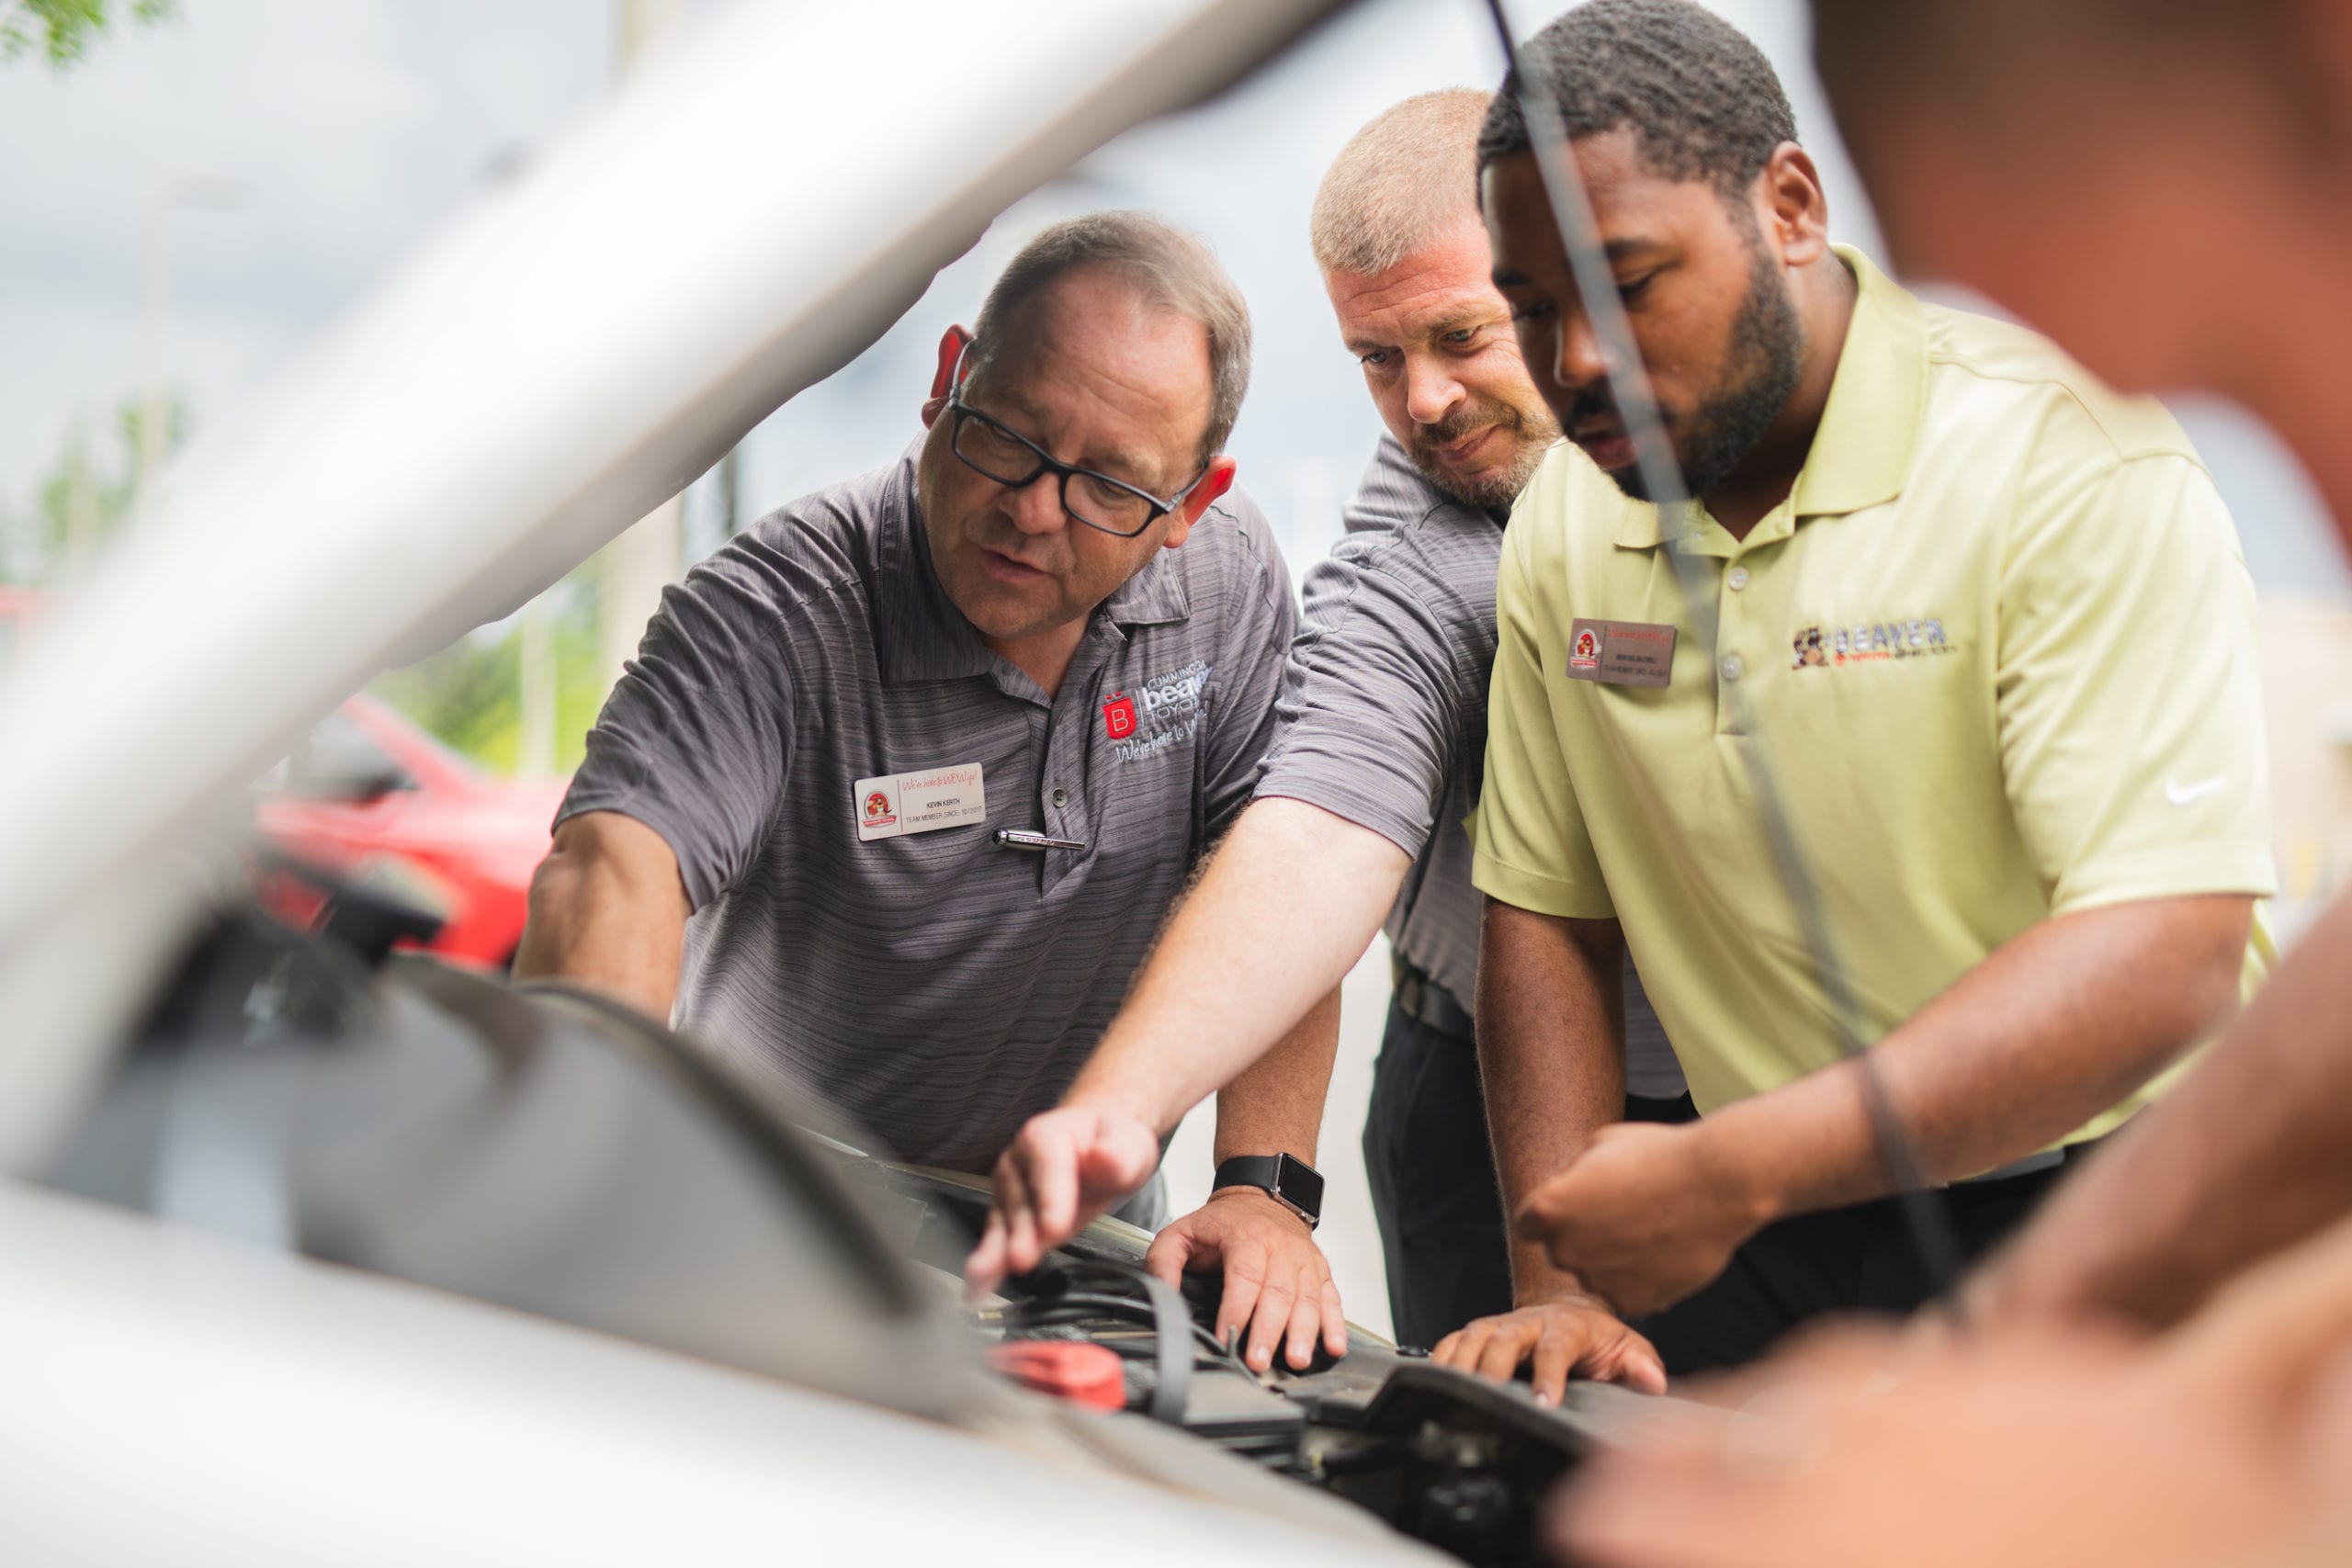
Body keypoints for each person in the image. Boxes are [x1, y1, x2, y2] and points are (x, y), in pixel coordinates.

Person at [1541, 4, 2352, 1563]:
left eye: (2222, 362)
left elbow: (2175, 944)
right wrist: (2008, 1344)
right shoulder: (1568, 535)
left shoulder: (2077, 468)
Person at [963, 92, 1688, 1380]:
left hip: (1777, 1091)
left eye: (1464, 336)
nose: (1425, 403)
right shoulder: (1415, 540)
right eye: (1376, 357)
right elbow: (1318, 826)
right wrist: (1118, 1113)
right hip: (1477, 1091)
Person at [513, 211, 1293, 1224]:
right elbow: (612, 869)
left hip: (1078, 1239)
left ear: (1193, 500)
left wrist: (1261, 1193)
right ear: (948, 377)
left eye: (1106, 484)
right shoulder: (781, 608)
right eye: (1012, 436)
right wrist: (570, 1172)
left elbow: (1279, 873)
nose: (1034, 511)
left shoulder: (1229, 582)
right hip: (776, 1214)